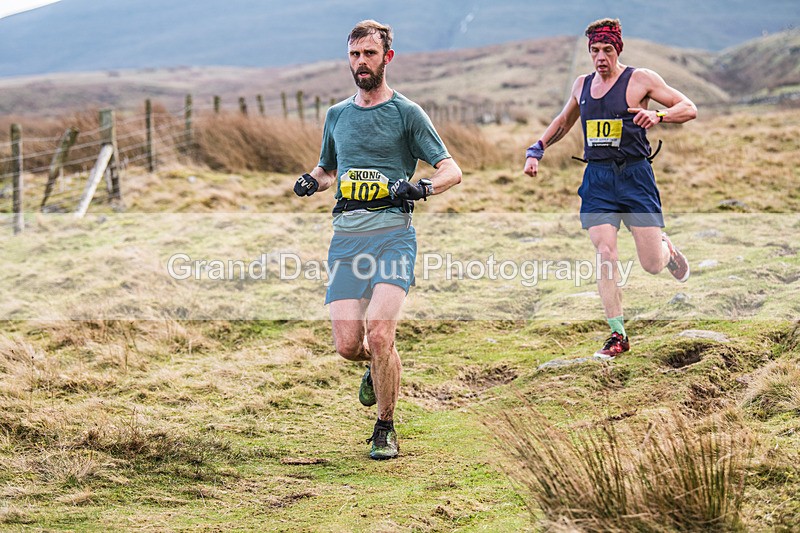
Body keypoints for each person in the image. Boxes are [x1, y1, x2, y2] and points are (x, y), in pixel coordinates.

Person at [293, 20, 461, 459]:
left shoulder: (408, 113)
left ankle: (385, 426)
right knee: (351, 346)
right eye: (353, 55)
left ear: (387, 57)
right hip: (347, 241)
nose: (360, 62)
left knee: (381, 335)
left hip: (393, 237)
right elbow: (329, 169)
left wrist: (421, 188)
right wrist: (312, 181)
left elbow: (451, 170)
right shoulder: (337, 115)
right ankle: (374, 367)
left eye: (369, 54)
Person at [523, 18, 696, 360]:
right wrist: (537, 149)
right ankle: (618, 333)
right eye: (594, 50)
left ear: (618, 50)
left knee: (650, 264)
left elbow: (688, 107)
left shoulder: (640, 80)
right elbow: (563, 122)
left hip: (635, 176)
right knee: (606, 254)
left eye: (607, 50)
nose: (600, 57)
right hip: (598, 179)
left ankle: (667, 250)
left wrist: (658, 117)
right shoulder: (582, 85)